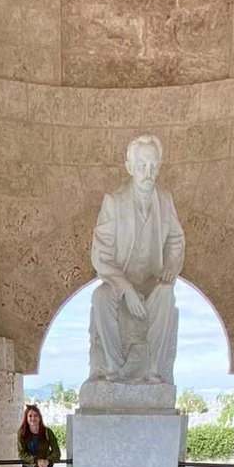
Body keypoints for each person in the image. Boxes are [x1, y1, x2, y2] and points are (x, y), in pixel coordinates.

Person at [88, 133, 186, 384]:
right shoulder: (114, 201)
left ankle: (154, 369)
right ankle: (114, 367)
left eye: (153, 166)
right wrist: (126, 289)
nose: (148, 172)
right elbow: (101, 256)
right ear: (129, 167)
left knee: (166, 294)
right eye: (142, 166)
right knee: (100, 297)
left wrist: (171, 268)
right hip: (120, 282)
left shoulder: (165, 200)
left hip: (152, 282)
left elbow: (175, 239)